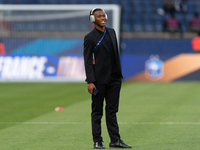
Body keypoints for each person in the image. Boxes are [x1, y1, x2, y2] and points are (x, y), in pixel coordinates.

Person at [83, 8, 132, 149]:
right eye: (98, 16)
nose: (102, 18)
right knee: (97, 111)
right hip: (98, 81)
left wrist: (118, 76)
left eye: (103, 15)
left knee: (112, 111)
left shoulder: (111, 32)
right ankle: (97, 141)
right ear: (93, 19)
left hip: (114, 79)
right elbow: (87, 60)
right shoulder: (89, 37)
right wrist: (90, 81)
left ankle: (115, 140)